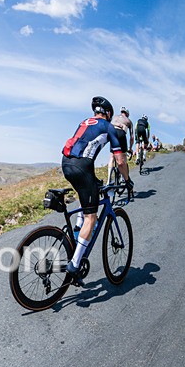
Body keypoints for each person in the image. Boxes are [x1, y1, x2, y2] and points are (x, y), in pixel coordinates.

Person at [61, 96, 132, 285]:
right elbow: (121, 161)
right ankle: (74, 265)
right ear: (108, 114)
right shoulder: (109, 128)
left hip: (66, 164)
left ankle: (77, 233)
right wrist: (127, 181)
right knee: (91, 217)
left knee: (88, 191)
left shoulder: (84, 122)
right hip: (83, 167)